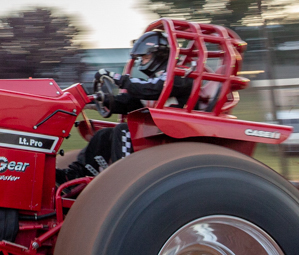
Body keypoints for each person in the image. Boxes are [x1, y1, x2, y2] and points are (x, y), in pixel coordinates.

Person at [55, 29, 198, 185]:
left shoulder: (180, 76)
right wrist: (98, 101)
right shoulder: (157, 80)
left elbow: (151, 89)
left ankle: (121, 182)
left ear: (159, 55)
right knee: (102, 135)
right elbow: (131, 101)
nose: (141, 62)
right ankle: (76, 175)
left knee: (123, 130)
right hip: (158, 133)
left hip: (175, 135)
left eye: (145, 57)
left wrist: (117, 78)